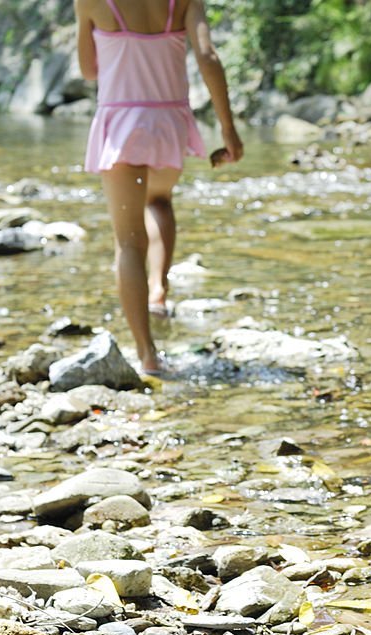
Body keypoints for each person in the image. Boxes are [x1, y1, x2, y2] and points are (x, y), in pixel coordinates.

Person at [75, 0, 243, 374]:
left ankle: (148, 354)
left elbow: (88, 70)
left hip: (121, 121)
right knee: (160, 200)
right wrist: (228, 130)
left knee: (128, 242)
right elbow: (208, 57)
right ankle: (159, 291)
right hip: (169, 123)